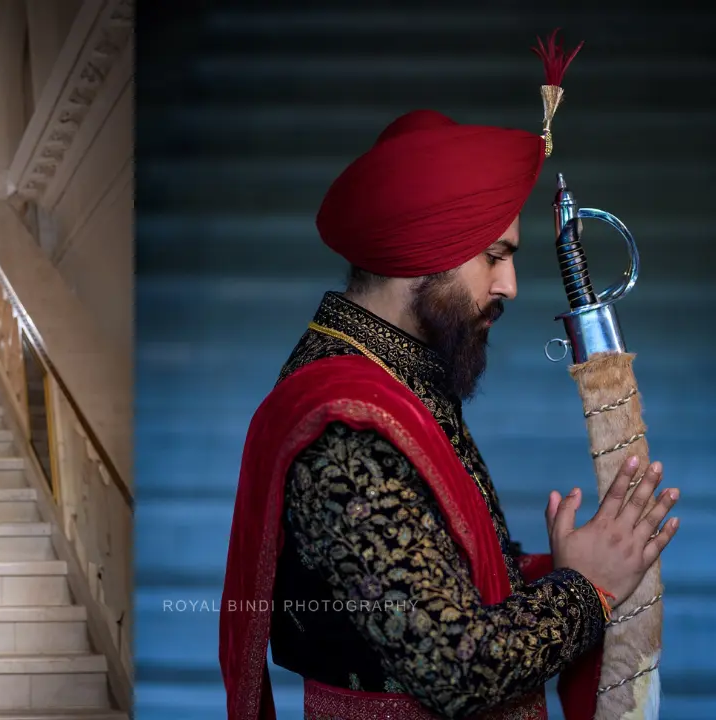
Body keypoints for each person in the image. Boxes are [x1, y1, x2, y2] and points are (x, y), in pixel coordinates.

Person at [217, 40, 681, 720]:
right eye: (494, 257)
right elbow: (456, 665)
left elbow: (444, 583)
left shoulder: (396, 378)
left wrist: (562, 568)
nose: (511, 286)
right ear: (420, 253)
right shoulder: (345, 424)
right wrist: (586, 586)